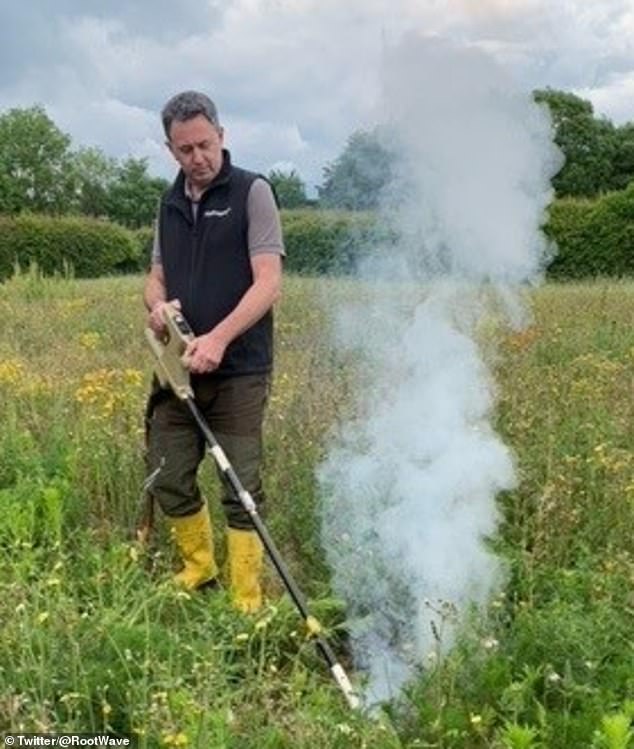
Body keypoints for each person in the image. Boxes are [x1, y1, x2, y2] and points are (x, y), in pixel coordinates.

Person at [143, 91, 284, 613]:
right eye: (184, 149)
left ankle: (245, 599)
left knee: (240, 486)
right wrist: (158, 307)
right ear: (170, 149)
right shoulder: (169, 203)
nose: (197, 157)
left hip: (240, 370)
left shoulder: (252, 193)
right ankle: (198, 569)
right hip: (177, 367)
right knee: (168, 472)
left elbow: (268, 283)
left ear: (221, 136)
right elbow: (155, 277)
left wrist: (220, 338)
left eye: (204, 144)